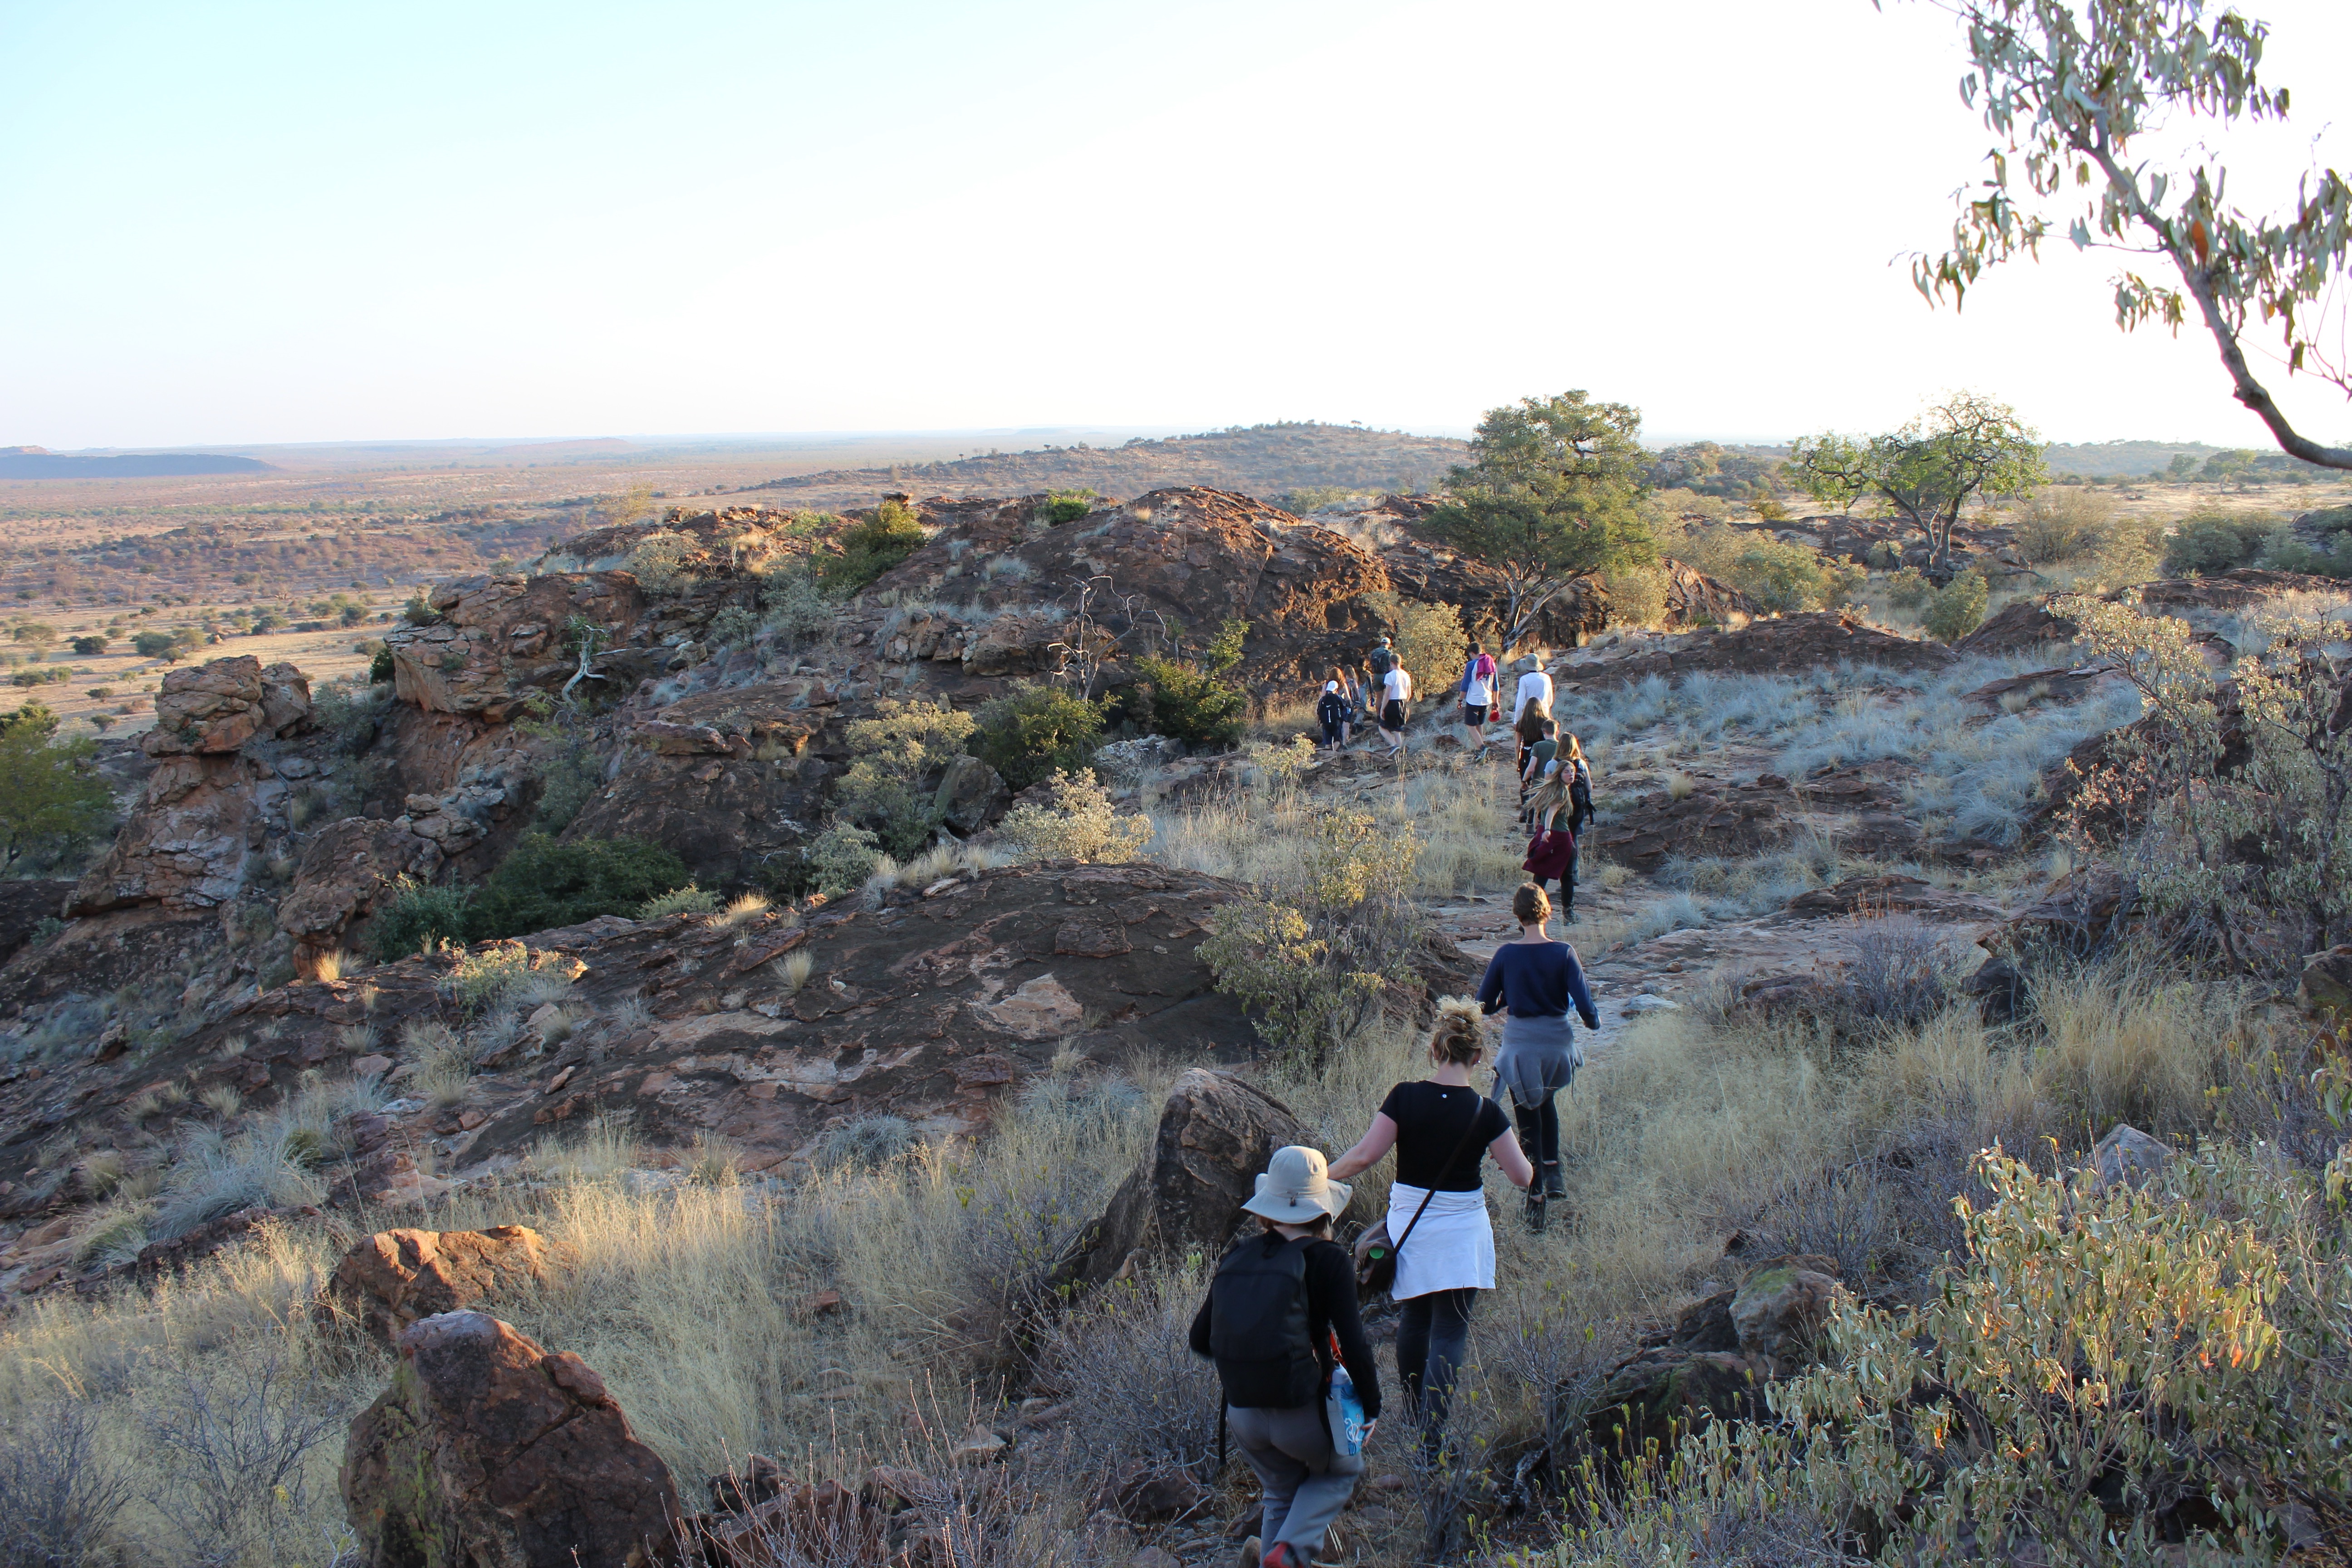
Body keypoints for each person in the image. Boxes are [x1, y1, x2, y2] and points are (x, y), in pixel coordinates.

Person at [1327, 1001, 1530, 1456]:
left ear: (1437, 1048)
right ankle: (1433, 1441)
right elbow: (1521, 1177)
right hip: (1462, 1231)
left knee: (1414, 1321)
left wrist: (1321, 1176)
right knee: (1450, 1332)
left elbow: (1363, 1157)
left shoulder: (1404, 1097)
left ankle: (1418, 1417)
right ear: (1477, 1057)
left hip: (1410, 1227)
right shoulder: (1486, 1113)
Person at [1190, 1146, 1382, 1568]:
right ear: (1323, 1209)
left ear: (1268, 1207)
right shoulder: (1329, 1260)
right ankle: (1291, 1552)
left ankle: (1277, 1557)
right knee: (1341, 1473)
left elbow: (1201, 1340)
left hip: (1243, 1416)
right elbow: (1354, 1343)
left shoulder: (1239, 1255)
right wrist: (1372, 1406)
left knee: (1280, 1493)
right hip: (1301, 1413)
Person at [1475, 884, 1599, 1228]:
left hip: (1522, 1047)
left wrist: (1506, 1000)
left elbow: (1483, 1005)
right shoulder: (1564, 952)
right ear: (1548, 911)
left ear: (1517, 915)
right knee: (1545, 1101)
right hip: (1558, 1046)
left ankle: (1536, 1195)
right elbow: (1586, 1006)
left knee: (1528, 1113)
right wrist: (1594, 1023)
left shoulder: (1506, 955)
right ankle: (1553, 1170)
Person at [1378, 659, 1413, 755]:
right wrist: (1405, 705)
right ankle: (1398, 756)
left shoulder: (1390, 676)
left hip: (1392, 703)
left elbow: (1387, 694)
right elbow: (1409, 694)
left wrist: (1382, 709)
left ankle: (1394, 745)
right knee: (1397, 731)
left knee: (1382, 727)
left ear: (1391, 663)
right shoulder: (1406, 675)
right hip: (1403, 702)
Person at [1459, 642, 1498, 729]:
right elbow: (1496, 685)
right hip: (1487, 699)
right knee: (1479, 724)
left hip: (1474, 700)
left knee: (1470, 726)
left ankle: (1481, 743)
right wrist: (1495, 701)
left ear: (1472, 653)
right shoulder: (1491, 663)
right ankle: (1480, 742)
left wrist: (1460, 700)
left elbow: (1465, 685)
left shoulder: (1471, 665)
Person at [1509, 657, 1554, 728]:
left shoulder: (1524, 679)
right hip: (1544, 715)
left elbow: (1520, 703)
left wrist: (1516, 721)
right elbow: (1550, 700)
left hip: (1529, 715)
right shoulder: (1547, 677)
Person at [1328, 666, 1360, 746]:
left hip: (1332, 707)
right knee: (1346, 725)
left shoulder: (1328, 684)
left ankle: (1333, 743)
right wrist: (1353, 703)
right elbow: (1349, 698)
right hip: (1345, 706)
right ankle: (1344, 743)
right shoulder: (1345, 683)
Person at [1316, 680, 1350, 751]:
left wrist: (1318, 723)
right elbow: (1344, 709)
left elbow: (1319, 712)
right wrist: (1344, 719)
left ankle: (1328, 754)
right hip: (1336, 723)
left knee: (1328, 742)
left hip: (1326, 724)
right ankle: (1334, 753)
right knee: (1337, 740)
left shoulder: (1323, 700)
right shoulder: (1338, 698)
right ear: (1336, 689)